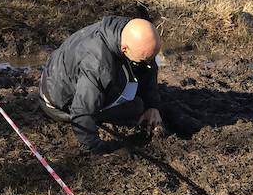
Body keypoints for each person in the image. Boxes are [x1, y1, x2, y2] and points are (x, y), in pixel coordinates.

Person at [38, 16, 164, 155]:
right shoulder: (99, 66)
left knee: (136, 74)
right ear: (124, 48)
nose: (150, 62)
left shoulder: (123, 30)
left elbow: (149, 67)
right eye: (144, 59)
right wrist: (96, 147)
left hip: (62, 77)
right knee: (135, 106)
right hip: (57, 103)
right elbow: (82, 111)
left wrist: (152, 105)